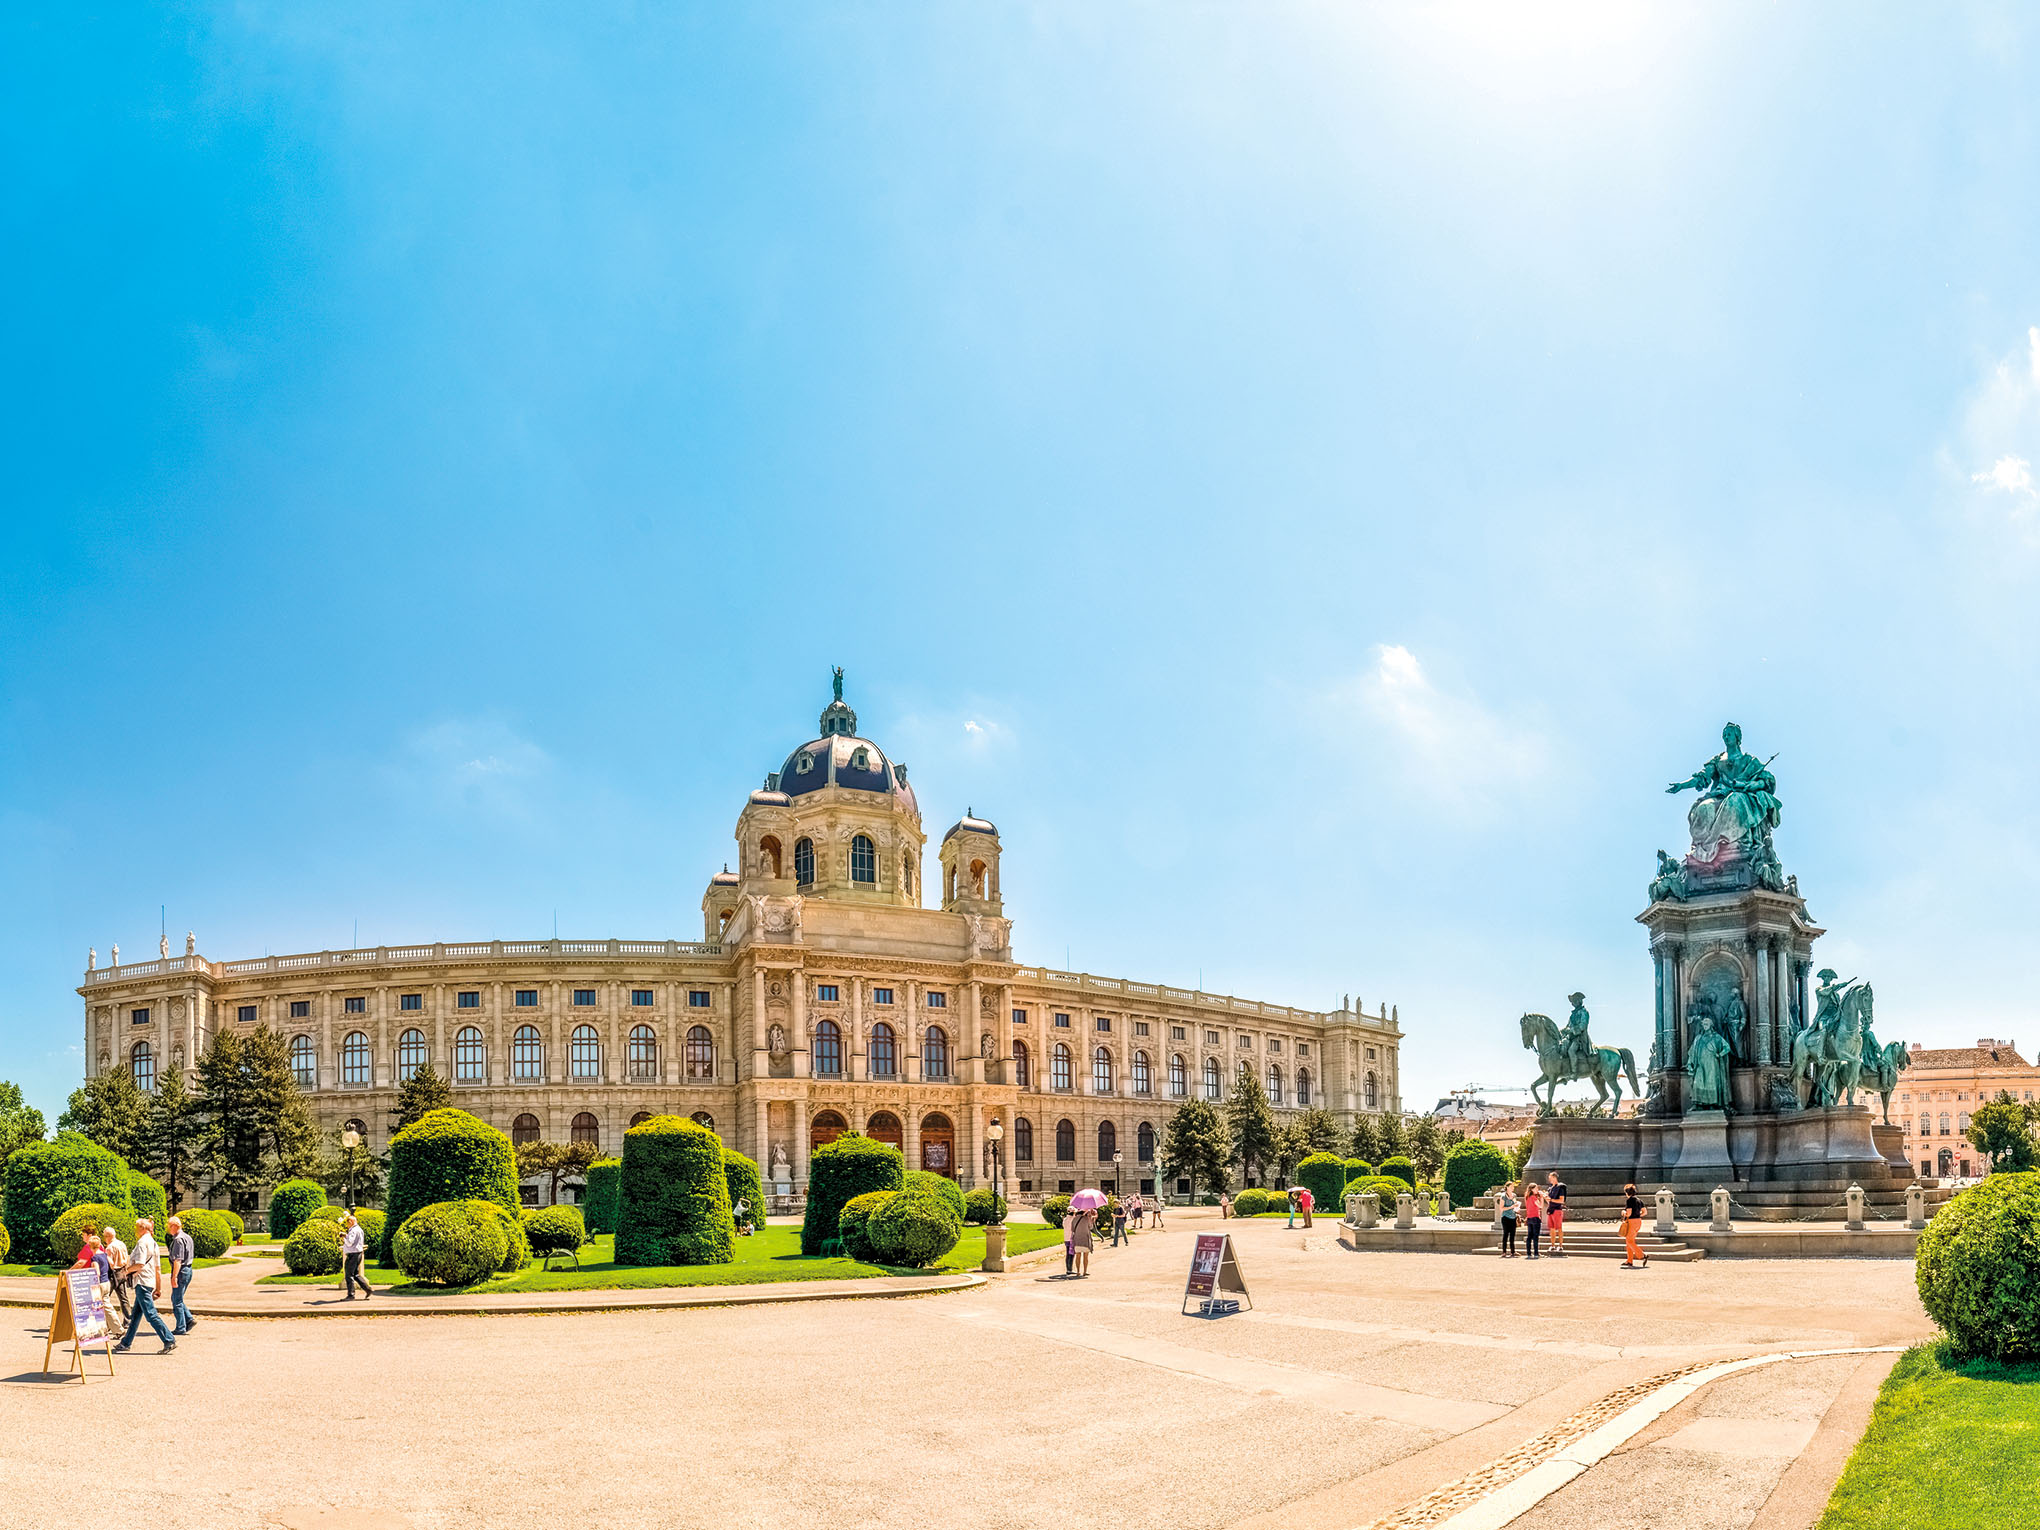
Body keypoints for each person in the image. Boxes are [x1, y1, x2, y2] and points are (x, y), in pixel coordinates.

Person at [115, 1218, 175, 1353]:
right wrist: (158, 1287)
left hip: (141, 1282)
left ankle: (168, 1339)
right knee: (135, 1315)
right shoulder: (153, 1243)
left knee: (150, 1314)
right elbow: (157, 1268)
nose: (136, 1230)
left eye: (137, 1228)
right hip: (149, 1281)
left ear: (143, 1228)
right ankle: (125, 1342)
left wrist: (126, 1271)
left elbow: (140, 1264)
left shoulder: (142, 1243)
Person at [166, 1215, 196, 1335]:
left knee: (177, 1300)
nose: (168, 1228)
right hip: (188, 1270)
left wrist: (174, 1277)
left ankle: (181, 1326)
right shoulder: (187, 1237)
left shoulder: (178, 1240)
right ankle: (188, 1319)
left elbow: (178, 1260)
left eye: (169, 1226)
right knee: (177, 1298)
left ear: (175, 1226)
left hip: (182, 1271)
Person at [100, 1226, 131, 1320]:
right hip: (122, 1271)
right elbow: (127, 1257)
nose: (105, 1239)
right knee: (123, 1297)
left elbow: (110, 1263)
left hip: (113, 1274)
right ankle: (128, 1319)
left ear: (108, 1236)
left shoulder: (110, 1247)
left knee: (104, 1297)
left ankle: (105, 1320)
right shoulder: (122, 1244)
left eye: (105, 1237)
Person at [340, 1213, 373, 1300]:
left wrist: (343, 1237)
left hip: (353, 1254)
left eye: (347, 1223)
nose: (347, 1225)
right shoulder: (359, 1229)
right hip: (358, 1253)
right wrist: (346, 1235)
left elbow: (350, 1242)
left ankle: (351, 1295)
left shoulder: (353, 1230)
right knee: (356, 1274)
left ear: (350, 1222)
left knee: (349, 1275)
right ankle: (368, 1289)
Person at [1620, 1183, 1649, 1268]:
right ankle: (1629, 1261)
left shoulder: (1629, 1200)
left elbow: (1628, 1213)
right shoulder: (1639, 1200)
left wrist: (1623, 1212)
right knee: (1630, 1241)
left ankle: (1642, 1255)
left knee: (1629, 1241)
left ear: (1627, 1192)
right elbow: (1645, 1212)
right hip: (1638, 1221)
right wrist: (1637, 1214)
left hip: (1631, 1222)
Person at [1545, 1171, 1568, 1256]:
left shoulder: (1560, 1187)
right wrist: (1546, 1198)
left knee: (1559, 1228)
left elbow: (1561, 1200)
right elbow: (1549, 1200)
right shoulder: (1550, 1188)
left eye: (1550, 1178)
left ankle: (1560, 1245)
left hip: (1557, 1210)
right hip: (1550, 1210)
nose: (1549, 1179)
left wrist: (1551, 1200)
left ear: (1554, 1177)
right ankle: (1553, 1245)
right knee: (1552, 1228)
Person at [1070, 1205, 1096, 1277]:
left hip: (1077, 1239)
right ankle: (1085, 1271)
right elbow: (1091, 1227)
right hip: (1085, 1239)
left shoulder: (1074, 1219)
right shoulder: (1087, 1219)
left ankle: (1078, 1271)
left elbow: (1072, 1229)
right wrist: (1091, 1218)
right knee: (1085, 1257)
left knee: (1078, 1256)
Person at [1522, 1183, 1544, 1260]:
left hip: (1529, 1218)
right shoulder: (1533, 1197)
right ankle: (1536, 1253)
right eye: (1536, 1188)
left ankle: (1528, 1253)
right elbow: (1540, 1206)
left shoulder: (1527, 1197)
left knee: (1529, 1236)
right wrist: (1541, 1197)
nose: (1537, 1190)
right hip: (1535, 1218)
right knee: (1535, 1237)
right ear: (1532, 1189)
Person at [1498, 1187, 1519, 1256]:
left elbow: (1515, 1204)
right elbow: (1501, 1208)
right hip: (1505, 1217)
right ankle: (1504, 1252)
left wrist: (1517, 1208)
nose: (1513, 1188)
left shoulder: (1514, 1195)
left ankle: (1513, 1252)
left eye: (1513, 1186)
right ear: (1507, 1187)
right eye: (1511, 1186)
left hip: (1513, 1217)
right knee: (1505, 1234)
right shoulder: (1503, 1196)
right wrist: (1511, 1207)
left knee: (1512, 1235)